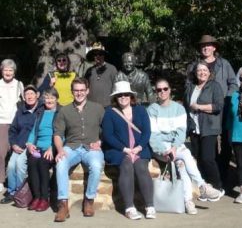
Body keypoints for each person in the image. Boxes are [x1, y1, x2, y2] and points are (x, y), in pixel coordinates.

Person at [147, 78, 222, 215]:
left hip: (176, 148)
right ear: (156, 92)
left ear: (169, 90)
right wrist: (165, 150)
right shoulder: (152, 110)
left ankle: (189, 201)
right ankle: (202, 186)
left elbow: (181, 133)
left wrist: (174, 148)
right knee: (185, 156)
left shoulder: (179, 109)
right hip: (161, 148)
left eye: (165, 89)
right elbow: (153, 135)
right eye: (159, 90)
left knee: (182, 163)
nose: (162, 92)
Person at [187, 35, 238, 186]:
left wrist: (225, 100)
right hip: (202, 114)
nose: (206, 47)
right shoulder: (193, 66)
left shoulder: (224, 64)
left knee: (225, 143)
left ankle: (223, 175)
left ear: (214, 47)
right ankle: (210, 177)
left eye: (209, 45)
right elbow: (189, 86)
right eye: (203, 45)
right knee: (208, 145)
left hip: (223, 109)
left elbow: (233, 84)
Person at [102, 81, 156, 220]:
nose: (123, 97)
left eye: (126, 94)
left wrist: (138, 147)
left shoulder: (140, 110)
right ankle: (129, 207)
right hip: (118, 149)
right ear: (115, 97)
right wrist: (124, 149)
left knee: (141, 167)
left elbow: (146, 132)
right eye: (119, 95)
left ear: (131, 96)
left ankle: (149, 206)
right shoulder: (109, 112)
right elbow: (108, 135)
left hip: (139, 148)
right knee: (126, 165)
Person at [53, 78, 104, 222]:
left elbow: (107, 130)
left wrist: (100, 141)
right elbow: (57, 134)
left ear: (87, 91)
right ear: (72, 91)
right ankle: (63, 204)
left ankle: (89, 200)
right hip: (71, 147)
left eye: (82, 90)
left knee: (96, 165)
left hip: (91, 147)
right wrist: (60, 149)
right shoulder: (64, 110)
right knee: (61, 163)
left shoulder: (98, 108)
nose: (79, 93)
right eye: (76, 90)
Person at [184, 61, 225, 197]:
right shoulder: (191, 87)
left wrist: (200, 107)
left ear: (209, 72)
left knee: (208, 158)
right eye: (199, 70)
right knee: (199, 159)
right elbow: (186, 106)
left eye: (204, 70)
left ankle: (218, 186)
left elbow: (218, 106)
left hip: (209, 128)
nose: (202, 73)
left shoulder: (214, 86)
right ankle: (206, 188)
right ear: (195, 73)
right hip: (194, 128)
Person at [0, 85, 42, 204]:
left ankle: (21, 193)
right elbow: (12, 130)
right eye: (27, 94)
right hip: (18, 145)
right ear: (24, 97)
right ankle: (12, 192)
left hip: (33, 145)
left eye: (32, 94)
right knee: (12, 165)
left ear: (37, 95)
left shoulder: (41, 110)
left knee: (19, 164)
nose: (29, 96)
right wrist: (13, 144)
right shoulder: (20, 111)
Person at [26, 88, 60, 211]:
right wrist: (29, 144)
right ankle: (37, 197)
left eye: (52, 97)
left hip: (52, 147)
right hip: (38, 147)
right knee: (32, 162)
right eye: (47, 98)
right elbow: (33, 131)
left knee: (42, 163)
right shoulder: (41, 113)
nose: (49, 100)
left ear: (57, 99)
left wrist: (52, 148)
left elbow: (62, 134)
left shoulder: (60, 113)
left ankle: (45, 199)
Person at [0, 59, 24, 193]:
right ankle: (1, 180)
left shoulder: (19, 84)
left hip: (16, 122)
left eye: (10, 70)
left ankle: (15, 181)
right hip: (1, 121)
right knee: (1, 152)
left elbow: (25, 101)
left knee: (15, 151)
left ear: (14, 72)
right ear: (2, 71)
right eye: (5, 70)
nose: (8, 72)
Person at [228, 66, 242, 203]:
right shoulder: (235, 96)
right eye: (241, 79)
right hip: (238, 136)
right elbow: (230, 118)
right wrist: (229, 133)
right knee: (241, 165)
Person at [85, 42, 117, 107]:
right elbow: (85, 87)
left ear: (104, 55)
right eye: (95, 54)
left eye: (100, 54)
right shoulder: (89, 71)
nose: (98, 56)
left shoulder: (112, 69)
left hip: (107, 106)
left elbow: (116, 88)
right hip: (91, 106)